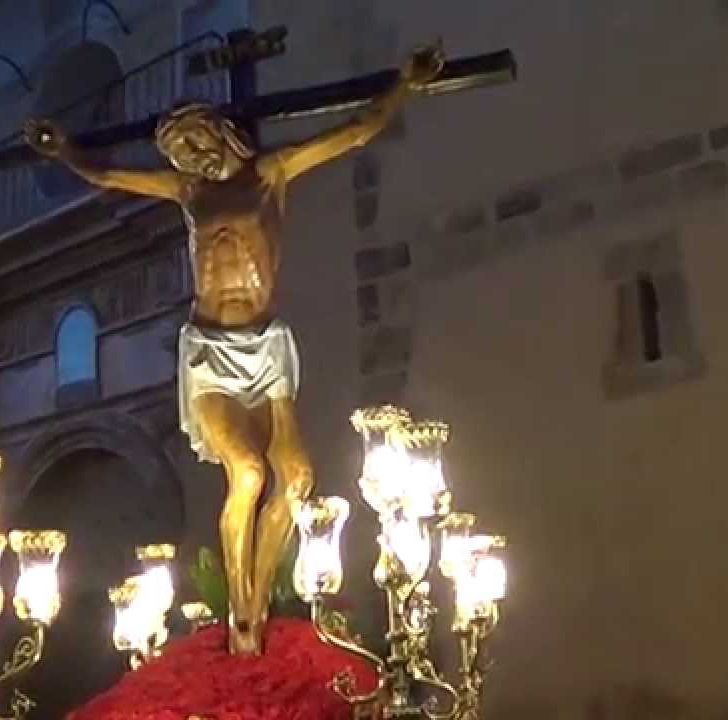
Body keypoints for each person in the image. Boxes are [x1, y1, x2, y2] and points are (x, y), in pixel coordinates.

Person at [23, 43, 445, 655]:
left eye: (194, 144)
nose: (188, 158)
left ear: (220, 135)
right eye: (178, 153)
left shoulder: (271, 174)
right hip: (210, 352)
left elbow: (354, 132)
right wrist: (64, 151)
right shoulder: (185, 193)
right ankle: (242, 624)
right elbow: (110, 175)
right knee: (245, 472)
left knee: (296, 479)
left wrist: (404, 83)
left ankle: (252, 605)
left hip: (266, 346)